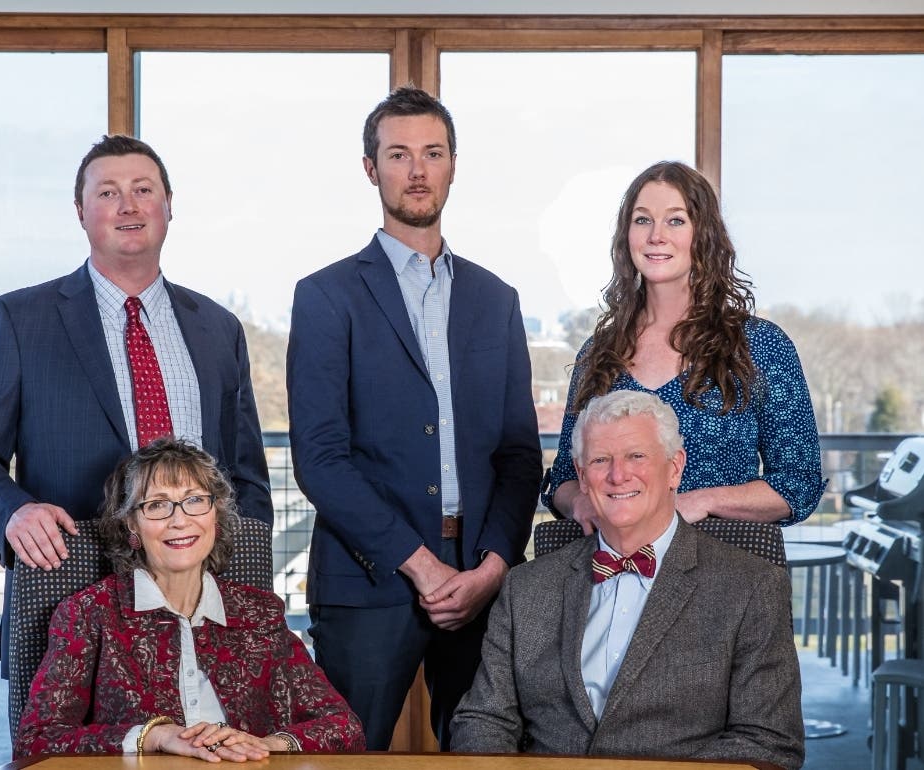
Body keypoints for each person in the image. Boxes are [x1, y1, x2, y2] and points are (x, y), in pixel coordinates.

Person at [0, 135, 273, 685]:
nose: (128, 205)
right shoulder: (23, 319)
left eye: (143, 190)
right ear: (81, 212)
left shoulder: (218, 328)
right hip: (70, 586)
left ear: (169, 205)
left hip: (207, 596)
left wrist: (249, 573)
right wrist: (13, 513)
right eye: (108, 192)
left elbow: (246, 476)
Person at [286, 85, 542, 750]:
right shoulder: (324, 297)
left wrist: (491, 566)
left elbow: (518, 454)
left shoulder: (496, 299)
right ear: (370, 169)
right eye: (398, 154)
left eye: (432, 153)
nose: (417, 170)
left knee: (482, 756)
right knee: (346, 757)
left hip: (482, 578)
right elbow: (319, 457)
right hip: (368, 577)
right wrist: (421, 566)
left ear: (454, 163)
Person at [451, 391, 804, 769]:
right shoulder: (526, 587)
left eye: (637, 456)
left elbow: (768, 741)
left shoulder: (751, 588)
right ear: (583, 477)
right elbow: (483, 719)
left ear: (674, 468)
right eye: (601, 460)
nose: (618, 475)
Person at [14, 438, 364, 760]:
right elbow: (37, 740)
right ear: (131, 526)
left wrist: (267, 744)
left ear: (215, 514)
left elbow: (343, 727)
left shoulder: (260, 613)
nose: (179, 520)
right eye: (156, 505)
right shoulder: (89, 614)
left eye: (195, 500)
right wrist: (152, 736)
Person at [541, 161, 824, 533]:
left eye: (676, 220)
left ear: (703, 234)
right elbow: (564, 476)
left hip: (725, 572)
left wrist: (701, 502)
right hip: (615, 573)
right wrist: (579, 501)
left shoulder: (760, 346)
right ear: (626, 237)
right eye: (642, 220)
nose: (656, 235)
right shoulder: (598, 352)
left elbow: (797, 485)